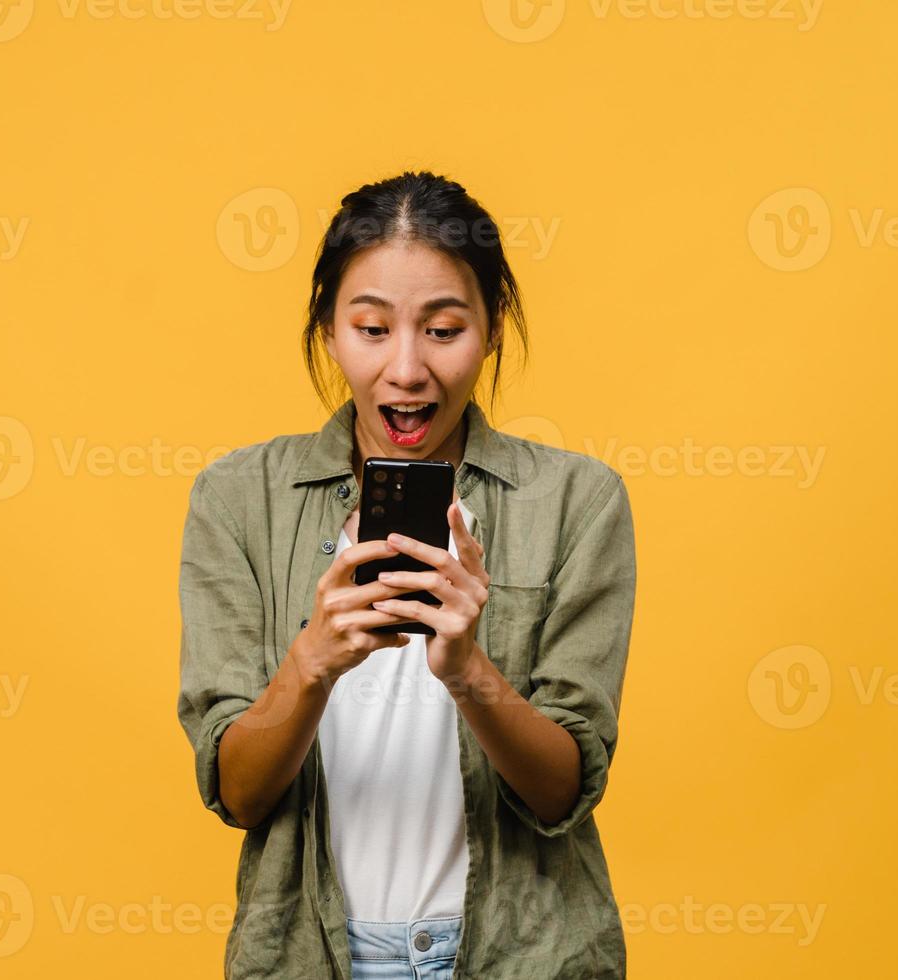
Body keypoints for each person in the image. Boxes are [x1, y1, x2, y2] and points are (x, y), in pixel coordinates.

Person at [177, 170, 637, 978]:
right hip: (309, 959)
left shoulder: (576, 500)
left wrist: (469, 671)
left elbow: (565, 791)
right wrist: (312, 661)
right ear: (329, 330)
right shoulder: (238, 498)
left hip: (524, 956)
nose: (407, 368)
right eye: (372, 328)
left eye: (444, 329)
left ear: (491, 330)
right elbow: (238, 792)